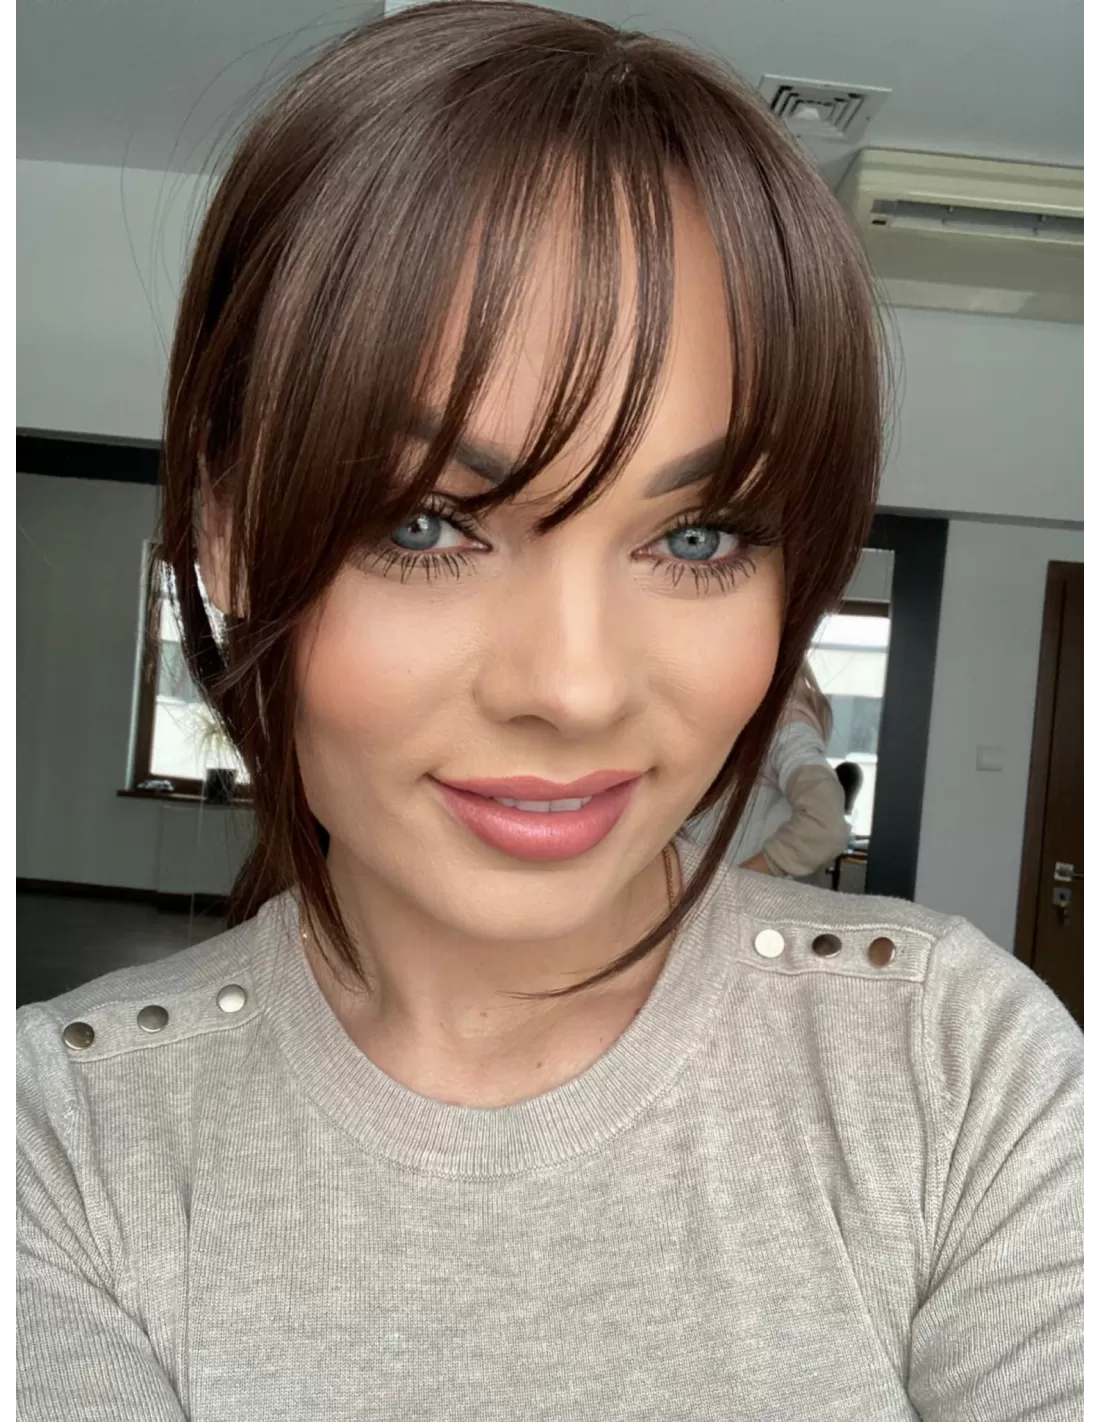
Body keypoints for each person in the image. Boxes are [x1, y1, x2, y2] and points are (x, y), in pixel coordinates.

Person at [17, 5, 1082, 1419]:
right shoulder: (61, 1146)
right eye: (424, 522)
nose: (574, 690)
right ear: (223, 537)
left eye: (697, 536)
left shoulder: (954, 1065)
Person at [685, 661, 852, 878]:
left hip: (719, 894)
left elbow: (826, 825)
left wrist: (736, 884)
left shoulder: (783, 726)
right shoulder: (739, 716)